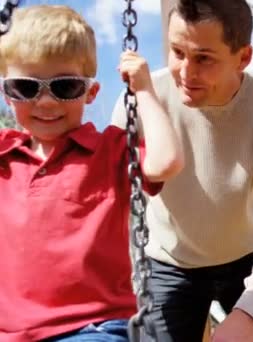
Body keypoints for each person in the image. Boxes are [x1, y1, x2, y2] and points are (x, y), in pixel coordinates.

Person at [111, 0, 253, 341]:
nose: (186, 72)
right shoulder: (144, 100)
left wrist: (250, 313)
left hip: (250, 259)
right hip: (168, 263)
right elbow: (114, 203)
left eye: (204, 58)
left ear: (243, 57)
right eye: (177, 52)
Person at [0, 5, 184, 342]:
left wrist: (143, 90)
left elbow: (166, 162)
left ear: (91, 91)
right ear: (7, 93)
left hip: (93, 328)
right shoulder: (4, 154)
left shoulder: (110, 150)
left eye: (65, 87)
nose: (45, 102)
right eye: (25, 88)